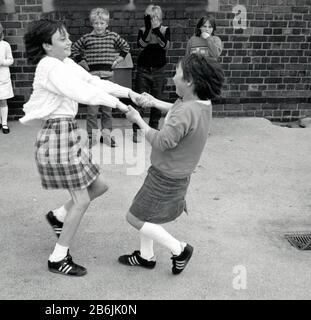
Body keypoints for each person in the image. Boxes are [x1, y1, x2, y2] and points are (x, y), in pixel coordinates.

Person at [21, 19, 140, 276]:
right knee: (82, 199)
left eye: (67, 37)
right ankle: (58, 257)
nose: (69, 42)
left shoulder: (63, 62)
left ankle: (58, 217)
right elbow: (82, 93)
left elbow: (93, 82)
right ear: (46, 46)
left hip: (67, 133)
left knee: (99, 186)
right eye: (62, 39)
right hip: (57, 137)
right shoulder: (49, 66)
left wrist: (128, 94)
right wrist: (120, 107)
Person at [120, 53, 224, 275]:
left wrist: (138, 120)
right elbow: (179, 110)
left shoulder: (185, 110)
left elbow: (162, 141)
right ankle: (146, 256)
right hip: (175, 174)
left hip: (165, 177)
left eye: (176, 72)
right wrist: (154, 102)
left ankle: (179, 249)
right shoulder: (199, 103)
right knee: (146, 214)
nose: (173, 76)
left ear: (189, 81)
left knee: (135, 217)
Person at [71, 7, 130, 148]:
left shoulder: (113, 37)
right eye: (96, 23)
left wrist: (117, 61)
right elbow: (74, 49)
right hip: (92, 80)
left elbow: (126, 48)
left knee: (107, 110)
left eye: (102, 23)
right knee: (92, 111)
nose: (99, 26)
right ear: (92, 23)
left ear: (107, 24)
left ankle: (107, 136)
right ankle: (91, 137)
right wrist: (82, 62)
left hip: (108, 78)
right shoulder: (87, 38)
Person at [132, 4, 170, 143]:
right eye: (150, 17)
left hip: (159, 70)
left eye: (155, 17)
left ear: (160, 18)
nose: (153, 20)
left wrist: (157, 30)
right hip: (143, 69)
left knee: (157, 100)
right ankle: (137, 130)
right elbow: (141, 44)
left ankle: (153, 128)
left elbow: (166, 46)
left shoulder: (165, 30)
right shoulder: (143, 30)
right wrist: (149, 29)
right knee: (140, 100)